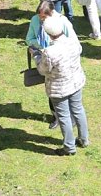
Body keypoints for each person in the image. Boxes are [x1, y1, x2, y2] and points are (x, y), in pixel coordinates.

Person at [36, 15, 89, 156]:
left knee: (64, 116)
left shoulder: (50, 52)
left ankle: (69, 148)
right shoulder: (73, 42)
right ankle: (84, 139)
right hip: (76, 82)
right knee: (78, 109)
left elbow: (43, 70)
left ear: (48, 33)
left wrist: (37, 57)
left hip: (59, 88)